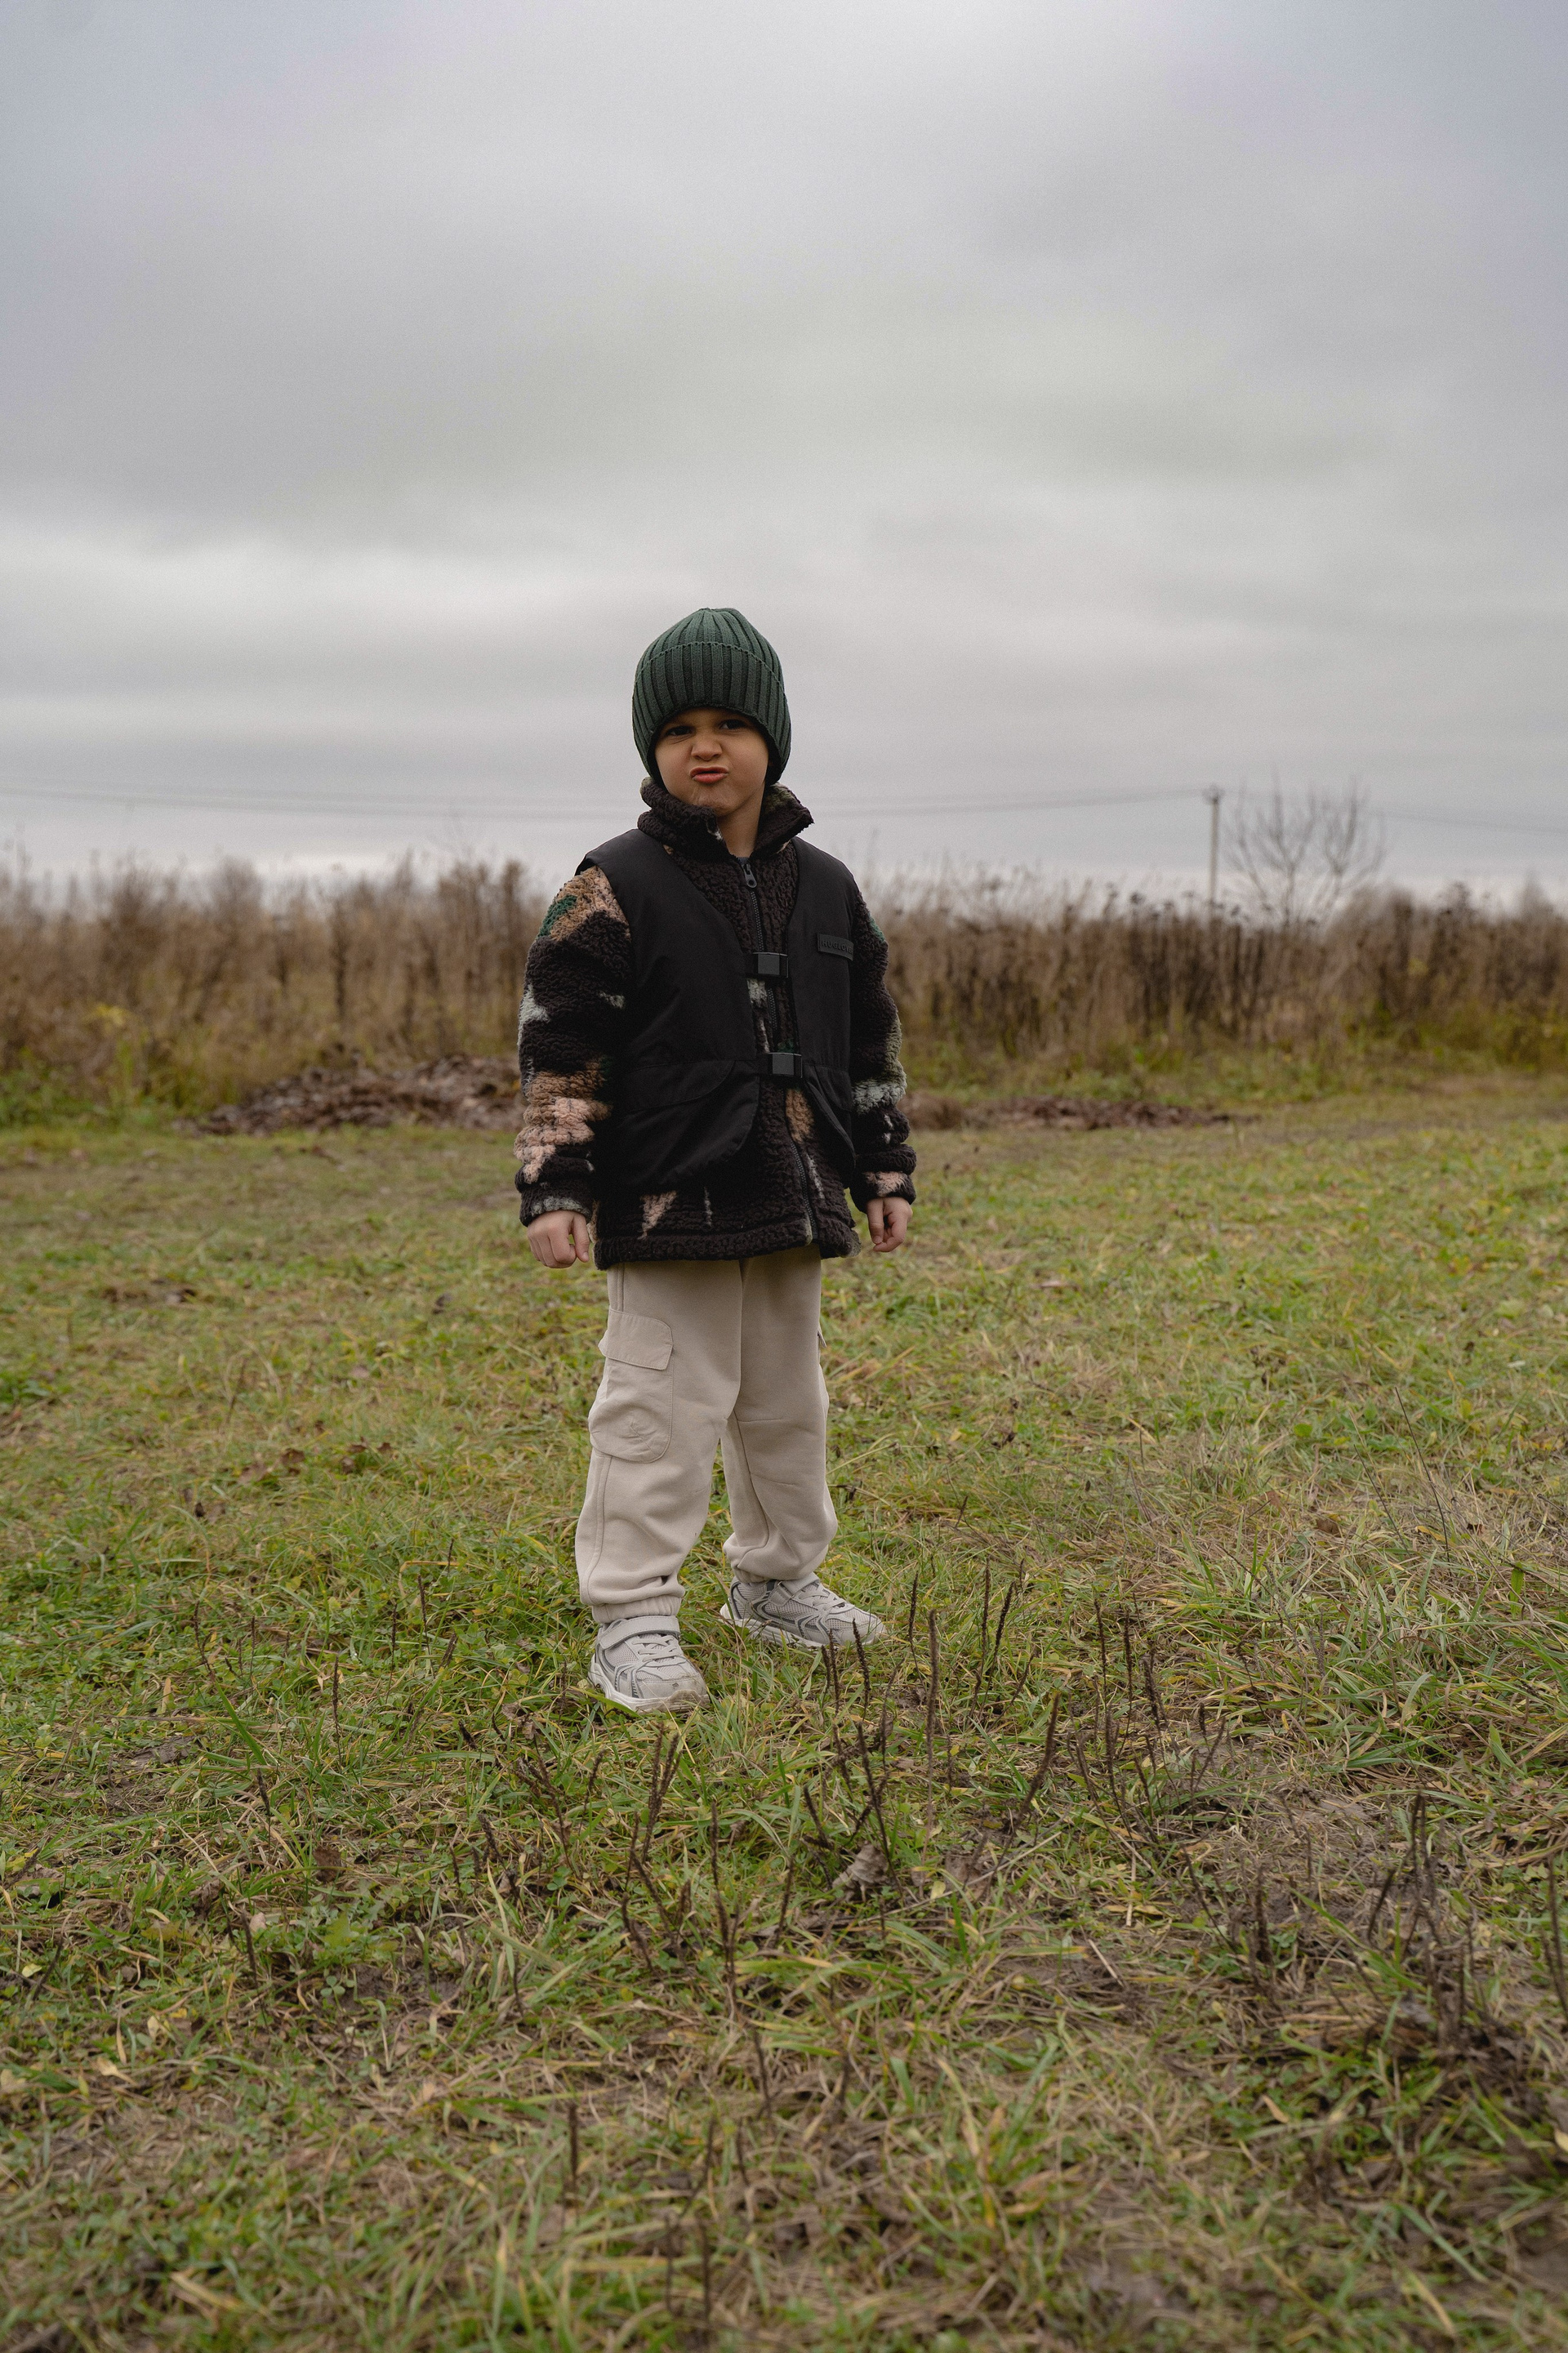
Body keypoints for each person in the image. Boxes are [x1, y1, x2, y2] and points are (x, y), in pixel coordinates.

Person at [514, 607, 917, 1714]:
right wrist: (555, 1180)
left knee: (787, 1405)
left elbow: (869, 1044)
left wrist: (882, 1168)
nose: (706, 747)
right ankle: (633, 1615)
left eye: (731, 725)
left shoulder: (828, 887)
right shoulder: (612, 882)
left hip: (793, 1189)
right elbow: (560, 1047)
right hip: (667, 1194)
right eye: (679, 728)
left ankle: (777, 1582)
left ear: (771, 740)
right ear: (651, 747)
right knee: (658, 1408)